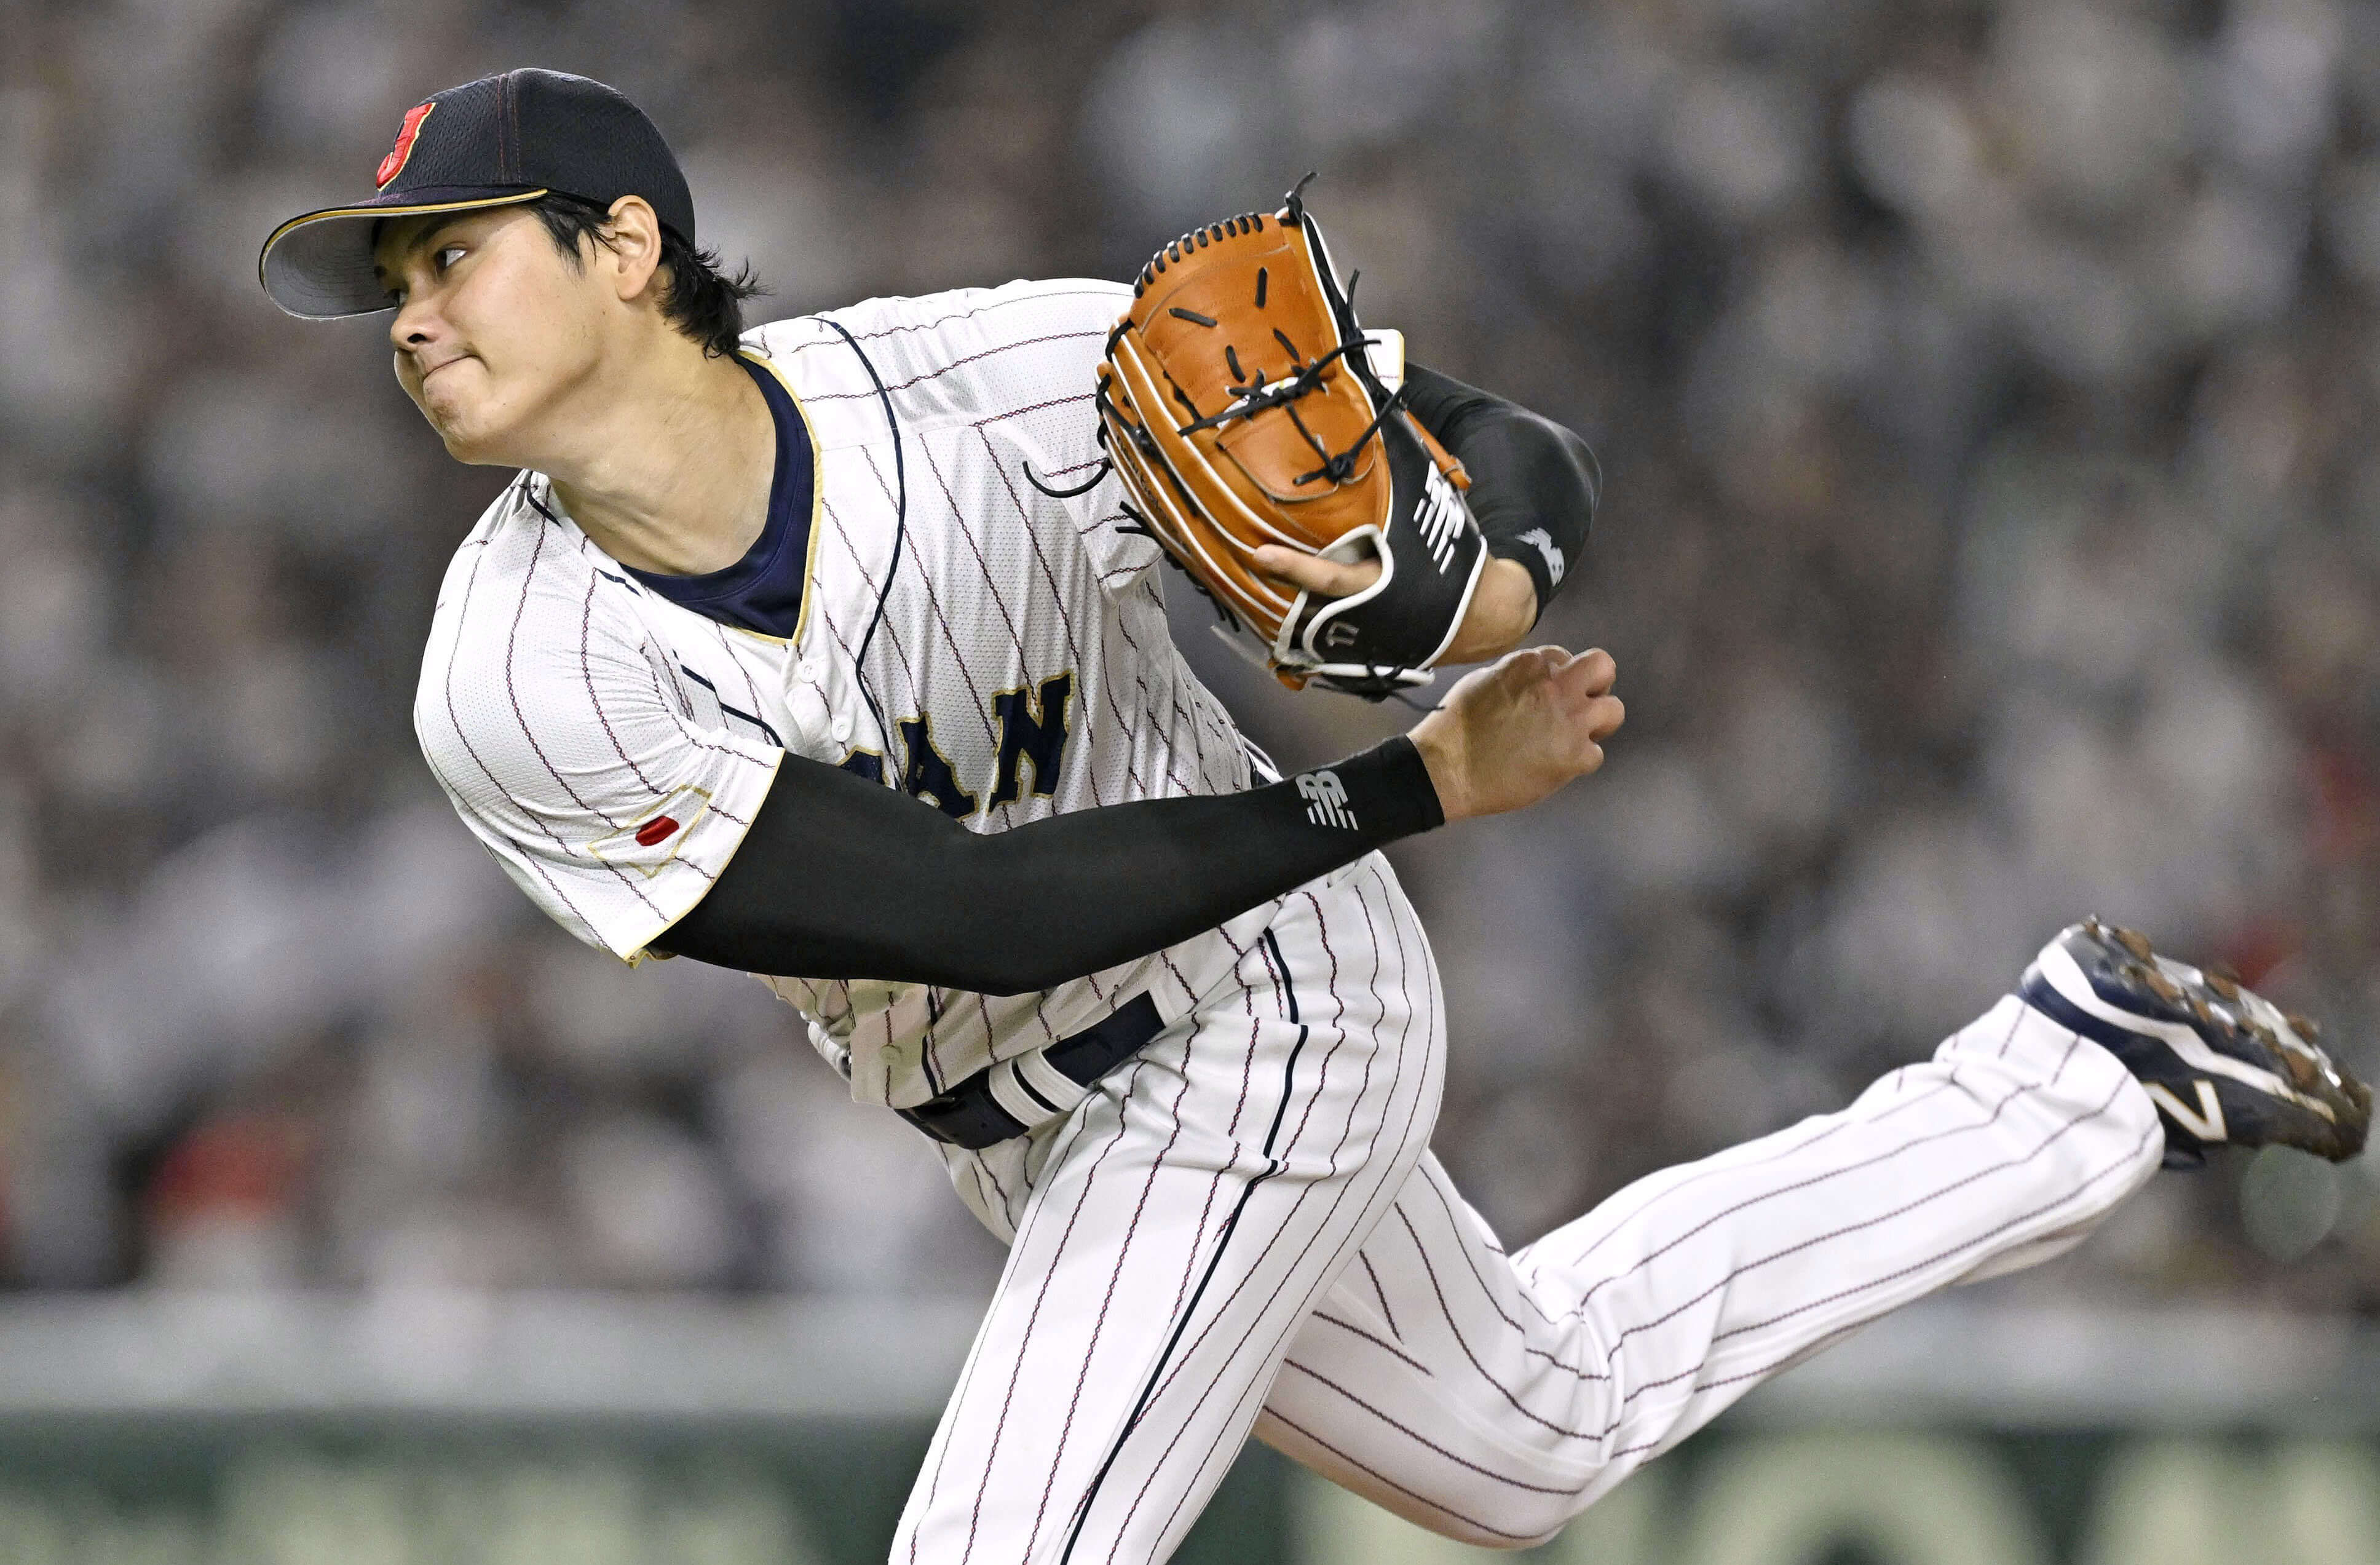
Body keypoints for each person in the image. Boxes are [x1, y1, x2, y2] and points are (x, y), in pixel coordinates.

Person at [260, 69, 2366, 1564]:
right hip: (1042, 1079)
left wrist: (1495, 584)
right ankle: (2077, 1073)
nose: (414, 320)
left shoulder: (991, 385)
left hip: (1262, 1011)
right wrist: (1408, 784)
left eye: (451, 256)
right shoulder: (517, 674)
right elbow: (967, 919)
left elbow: (1489, 434)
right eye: (396, 293)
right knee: (1533, 1431)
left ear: (627, 246)